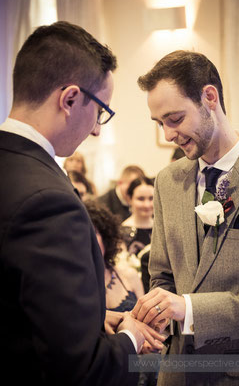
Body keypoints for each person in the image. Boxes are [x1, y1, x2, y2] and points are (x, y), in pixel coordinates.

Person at [0, 21, 163, 386]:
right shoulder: (49, 203)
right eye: (101, 110)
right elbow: (80, 371)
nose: (97, 129)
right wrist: (131, 337)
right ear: (70, 99)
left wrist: (90, 319)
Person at [132, 50, 239, 386]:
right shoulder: (166, 180)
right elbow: (162, 275)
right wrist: (157, 314)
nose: (167, 135)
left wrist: (189, 310)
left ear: (210, 98)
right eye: (160, 123)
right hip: (175, 374)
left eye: (174, 119)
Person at [121, 176, 154, 257]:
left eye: (151, 198)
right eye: (141, 199)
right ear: (129, 199)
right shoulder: (121, 232)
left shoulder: (163, 230)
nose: (147, 205)